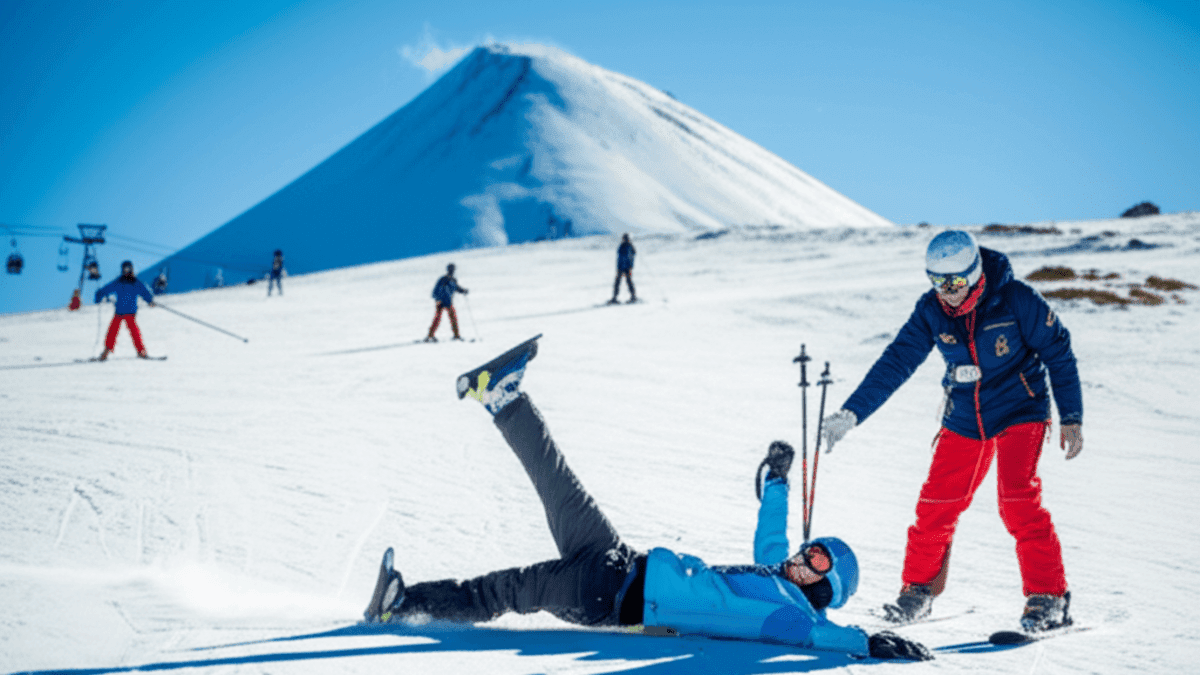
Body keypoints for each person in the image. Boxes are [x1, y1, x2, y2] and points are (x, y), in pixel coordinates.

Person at [361, 337, 932, 661]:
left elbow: (815, 635)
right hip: (619, 559)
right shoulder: (777, 578)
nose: (806, 557)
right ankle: (503, 395)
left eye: (820, 562)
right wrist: (779, 479)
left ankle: (403, 604)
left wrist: (867, 642)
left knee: (508, 589)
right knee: (557, 480)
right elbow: (772, 540)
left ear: (827, 588)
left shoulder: (789, 612)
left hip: (610, 597)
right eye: (814, 550)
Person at [820, 230, 1082, 633]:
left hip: (1020, 406)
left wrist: (1071, 416)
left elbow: (1058, 350)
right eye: (938, 282)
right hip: (965, 413)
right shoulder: (931, 311)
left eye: (956, 282)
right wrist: (852, 413)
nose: (948, 291)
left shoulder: (1016, 299)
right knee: (935, 505)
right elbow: (896, 362)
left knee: (1017, 500)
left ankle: (1049, 599)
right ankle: (916, 593)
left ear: (975, 273)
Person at [94, 260, 156, 360]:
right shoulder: (119, 282)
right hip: (120, 311)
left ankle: (141, 351)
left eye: (128, 269)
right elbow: (107, 288)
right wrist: (99, 294)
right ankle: (106, 351)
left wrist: (150, 300)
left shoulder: (135, 283)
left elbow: (144, 292)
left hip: (130, 312)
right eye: (125, 269)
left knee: (134, 331)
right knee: (113, 330)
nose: (127, 272)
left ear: (131, 270)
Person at [425, 263, 468, 342]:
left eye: (453, 269)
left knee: (452, 318)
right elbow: (437, 290)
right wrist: (437, 299)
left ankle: (456, 335)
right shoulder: (443, 279)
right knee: (439, 318)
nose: (452, 271)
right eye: (451, 269)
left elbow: (456, 288)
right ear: (448, 270)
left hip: (448, 301)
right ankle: (430, 336)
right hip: (441, 301)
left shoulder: (452, 280)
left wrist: (463, 291)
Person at [610, 233, 636, 304]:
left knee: (628, 282)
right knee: (619, 282)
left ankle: (633, 297)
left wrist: (630, 266)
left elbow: (630, 257)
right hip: (621, 267)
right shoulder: (622, 246)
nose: (624, 239)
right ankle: (615, 297)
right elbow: (619, 257)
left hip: (626, 267)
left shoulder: (629, 246)